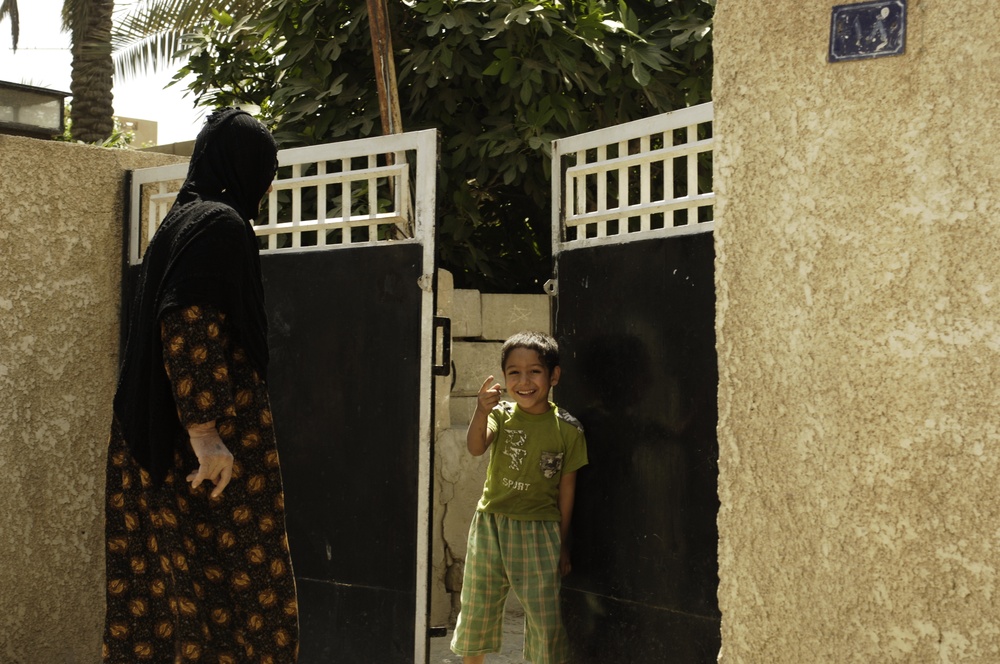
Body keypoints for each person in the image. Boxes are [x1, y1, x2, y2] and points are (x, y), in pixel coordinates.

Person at [104, 108, 299, 663]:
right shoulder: (219, 225)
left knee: (171, 609)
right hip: (200, 457)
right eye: (267, 166)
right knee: (243, 606)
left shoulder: (181, 221)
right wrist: (206, 433)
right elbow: (186, 320)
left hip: (154, 446)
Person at [451, 331, 588, 664]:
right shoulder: (501, 415)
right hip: (490, 526)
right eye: (514, 372)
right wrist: (481, 411)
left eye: (535, 371)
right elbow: (475, 447)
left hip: (539, 530)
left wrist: (562, 541)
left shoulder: (568, 430)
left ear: (554, 375)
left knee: (544, 617)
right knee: (477, 608)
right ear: (504, 378)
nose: (524, 381)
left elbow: (567, 489)